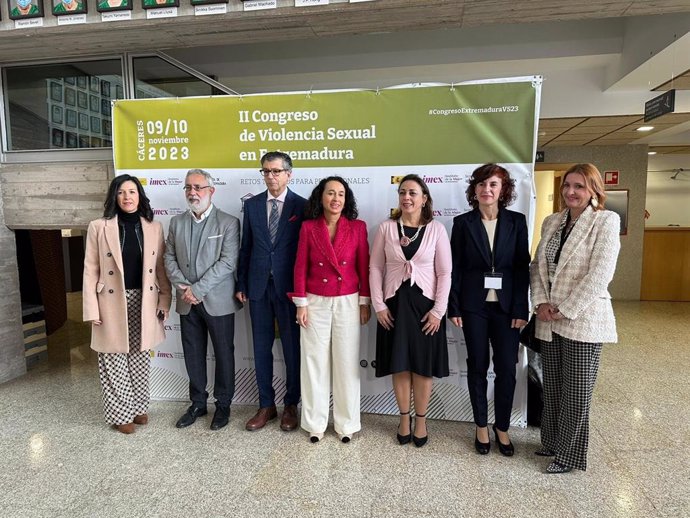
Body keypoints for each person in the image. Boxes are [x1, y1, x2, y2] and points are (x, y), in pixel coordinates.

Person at [530, 163, 620, 474]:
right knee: (552, 386)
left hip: (583, 318)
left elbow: (600, 274)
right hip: (548, 318)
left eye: (579, 186)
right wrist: (540, 302)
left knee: (577, 392)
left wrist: (566, 308)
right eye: (567, 185)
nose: (571, 192)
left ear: (594, 190)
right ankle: (552, 442)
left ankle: (570, 455)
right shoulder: (552, 221)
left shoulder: (605, 221)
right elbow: (538, 266)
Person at [448, 164, 530, 456]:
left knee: (507, 369)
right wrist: (453, 305)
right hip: (474, 307)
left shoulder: (517, 222)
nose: (487, 190)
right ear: (474, 190)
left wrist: (522, 307)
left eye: (493, 184)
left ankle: (503, 427)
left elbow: (522, 269)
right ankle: (481, 426)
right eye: (482, 184)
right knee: (478, 366)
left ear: (503, 190)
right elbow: (455, 267)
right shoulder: (463, 224)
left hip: (508, 309)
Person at [83, 175, 172, 434]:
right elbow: (90, 269)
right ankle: (121, 414)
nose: (127, 197)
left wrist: (164, 299)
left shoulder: (154, 227)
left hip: (144, 299)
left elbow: (161, 269)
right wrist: (91, 308)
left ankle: (139, 408)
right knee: (112, 359)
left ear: (140, 195)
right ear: (115, 197)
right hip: (110, 301)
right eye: (121, 192)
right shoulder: (98, 226)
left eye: (132, 192)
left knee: (140, 357)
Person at [370, 174, 452, 447]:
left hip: (425, 308)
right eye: (403, 192)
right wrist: (378, 304)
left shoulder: (437, 230)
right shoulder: (386, 228)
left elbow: (444, 272)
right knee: (400, 364)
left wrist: (439, 311)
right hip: (393, 306)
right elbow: (376, 268)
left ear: (424, 198)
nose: (407, 197)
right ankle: (403, 418)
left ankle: (421, 420)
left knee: (422, 366)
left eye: (413, 193)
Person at [289, 177, 371, 443]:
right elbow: (300, 266)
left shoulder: (358, 228)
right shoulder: (308, 228)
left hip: (348, 300)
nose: (336, 199)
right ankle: (315, 423)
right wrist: (301, 303)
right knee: (314, 363)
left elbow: (363, 266)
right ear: (320, 197)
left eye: (341, 194)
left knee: (347, 363)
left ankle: (346, 424)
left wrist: (364, 301)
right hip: (315, 301)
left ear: (346, 200)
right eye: (330, 193)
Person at [164, 169, 242, 431]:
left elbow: (228, 262)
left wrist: (198, 289)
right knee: (193, 354)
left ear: (211, 190)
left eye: (198, 187)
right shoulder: (176, 222)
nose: (192, 192)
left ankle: (223, 405)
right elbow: (169, 258)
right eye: (188, 188)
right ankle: (198, 403)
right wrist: (185, 287)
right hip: (187, 301)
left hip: (217, 301)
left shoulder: (228, 222)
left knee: (223, 354)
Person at [236, 152, 307, 432]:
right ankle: (266, 405)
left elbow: (305, 251)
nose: (271, 176)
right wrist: (242, 283)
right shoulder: (252, 205)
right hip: (258, 286)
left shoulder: (301, 206)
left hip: (290, 289)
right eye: (266, 171)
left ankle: (291, 404)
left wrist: (304, 290)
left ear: (289, 174)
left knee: (292, 348)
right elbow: (246, 247)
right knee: (261, 347)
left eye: (276, 171)